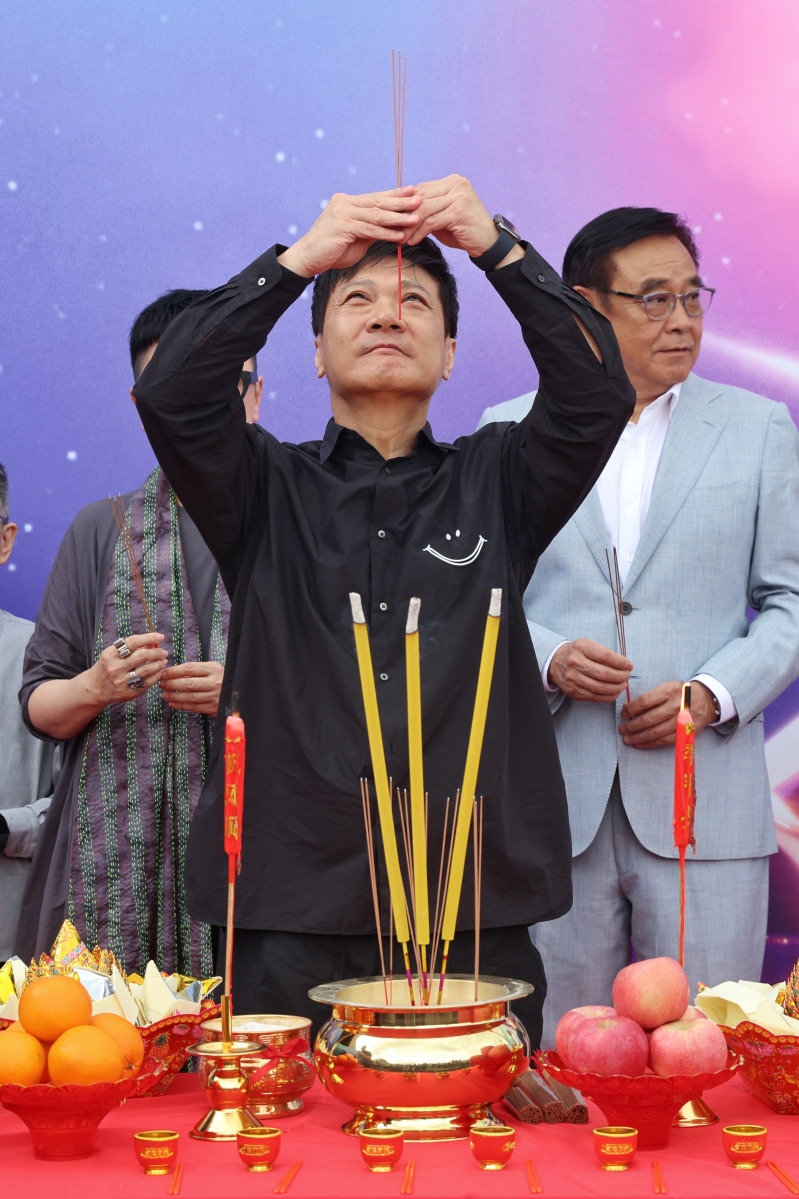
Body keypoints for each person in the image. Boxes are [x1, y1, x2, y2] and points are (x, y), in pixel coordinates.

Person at [133, 176, 635, 1043]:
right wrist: (300, 259)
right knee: (288, 1124)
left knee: (471, 1120)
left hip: (468, 898)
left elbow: (596, 391)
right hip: (292, 892)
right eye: (356, 299)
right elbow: (170, 390)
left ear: (449, 353)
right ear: (316, 353)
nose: (386, 316)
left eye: (414, 302)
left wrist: (496, 247)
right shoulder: (258, 485)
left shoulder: (500, 478)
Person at [478, 206, 799, 1045]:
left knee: (710, 1054)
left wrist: (712, 692)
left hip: (707, 800)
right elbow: (475, 603)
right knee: (563, 1055)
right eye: (653, 299)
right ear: (585, 306)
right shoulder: (506, 433)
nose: (681, 320)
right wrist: (548, 658)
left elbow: (791, 600)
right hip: (554, 803)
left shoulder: (758, 428)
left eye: (692, 297)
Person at [15, 290, 264, 975]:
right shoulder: (101, 530)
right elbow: (40, 706)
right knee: (101, 1034)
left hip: (270, 853)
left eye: (222, 382)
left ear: (255, 392)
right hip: (108, 860)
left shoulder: (298, 525)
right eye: (173, 386)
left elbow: (357, 697)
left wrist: (247, 694)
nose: (199, 404)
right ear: (140, 403)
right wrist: (94, 686)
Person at [0, 463, 57, 961]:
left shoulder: (45, 660)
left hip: (12, 954)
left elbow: (85, 805)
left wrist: (8, 826)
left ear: (5, 540)